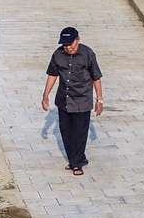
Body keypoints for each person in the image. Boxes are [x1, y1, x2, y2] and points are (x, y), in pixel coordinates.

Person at [42, 26, 103, 175]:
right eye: (65, 45)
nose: (68, 48)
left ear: (78, 40)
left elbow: (96, 77)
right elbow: (52, 75)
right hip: (64, 99)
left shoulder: (87, 54)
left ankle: (76, 164)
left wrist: (99, 100)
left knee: (80, 133)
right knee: (66, 132)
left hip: (82, 99)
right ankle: (78, 158)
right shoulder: (58, 55)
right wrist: (45, 96)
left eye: (71, 44)